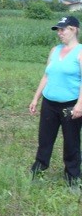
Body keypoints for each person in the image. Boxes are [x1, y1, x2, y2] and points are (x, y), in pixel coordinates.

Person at [28, 16, 82, 186]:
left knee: (71, 142)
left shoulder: (80, 52)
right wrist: (36, 98)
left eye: (62, 29)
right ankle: (38, 170)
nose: (59, 33)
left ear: (73, 29)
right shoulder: (55, 50)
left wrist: (80, 105)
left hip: (70, 105)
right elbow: (46, 75)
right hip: (49, 103)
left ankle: (72, 178)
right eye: (58, 30)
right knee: (45, 139)